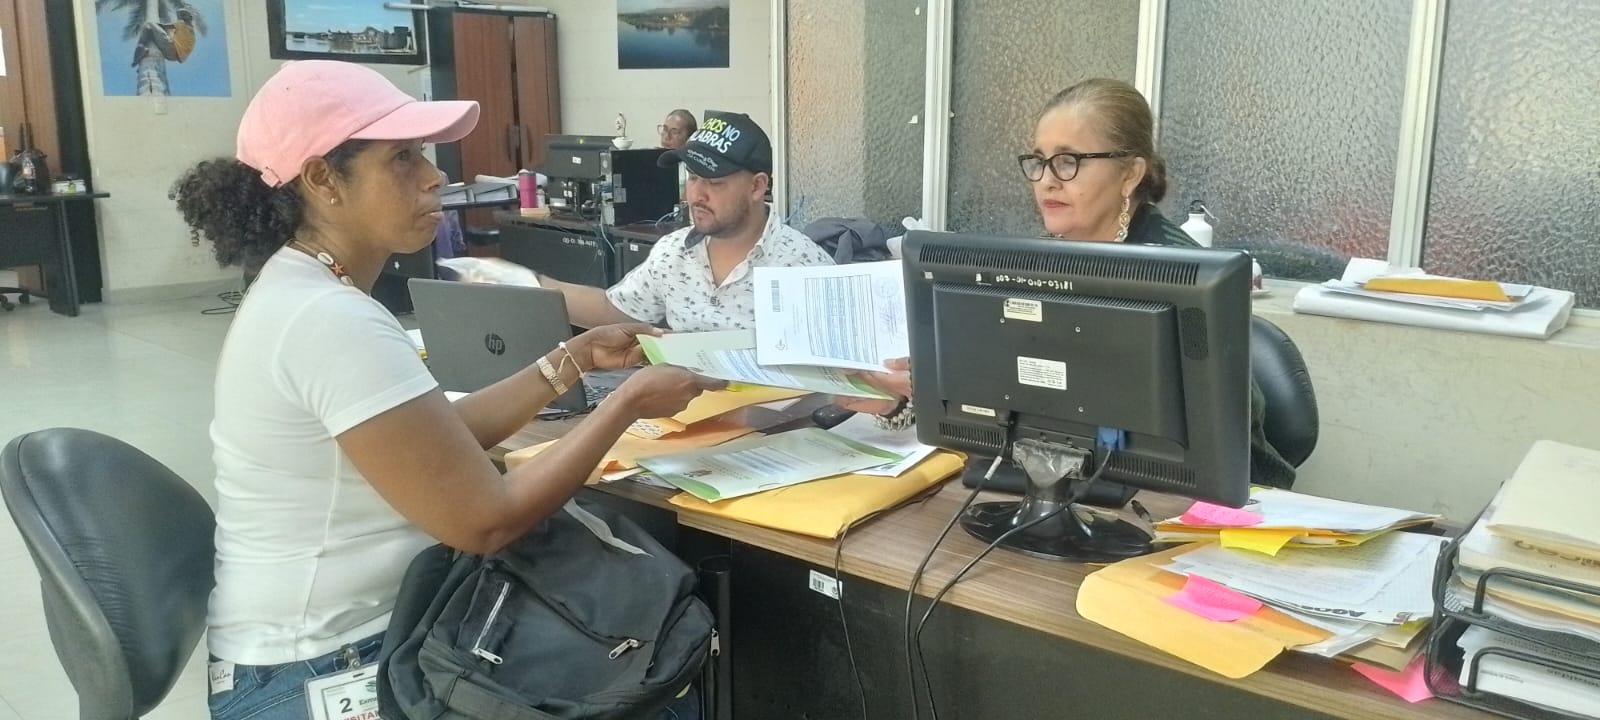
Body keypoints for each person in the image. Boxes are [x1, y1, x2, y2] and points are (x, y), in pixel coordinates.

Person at [171, 60, 723, 720]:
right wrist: (626, 403)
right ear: (322, 180)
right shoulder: (328, 320)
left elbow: (438, 440)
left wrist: (572, 360)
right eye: (402, 159)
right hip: (327, 665)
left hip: (341, 636)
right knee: (658, 685)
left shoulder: (305, 293)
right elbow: (486, 520)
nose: (434, 176)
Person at [840, 78, 1296, 487]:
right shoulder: (1035, 264)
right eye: (1039, 162)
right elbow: (1008, 398)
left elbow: (1224, 437)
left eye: (1068, 161)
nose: (1046, 181)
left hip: (1201, 512)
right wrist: (899, 402)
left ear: (1130, 173)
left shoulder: (1182, 277)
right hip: (1068, 492)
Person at [539, 111, 834, 332]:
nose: (696, 195)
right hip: (683, 398)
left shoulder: (805, 266)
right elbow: (614, 310)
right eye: (692, 178)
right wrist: (528, 283)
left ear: (757, 186)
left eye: (714, 182)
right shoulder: (673, 252)